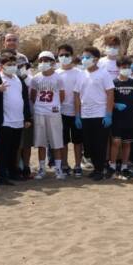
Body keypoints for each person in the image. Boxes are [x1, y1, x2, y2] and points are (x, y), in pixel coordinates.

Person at [0, 51, 32, 185]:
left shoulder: (19, 80)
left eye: (14, 64)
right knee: (2, 150)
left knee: (14, 149)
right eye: (9, 64)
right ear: (1, 66)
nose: (12, 66)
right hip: (4, 121)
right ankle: (1, 176)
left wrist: (27, 118)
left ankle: (13, 173)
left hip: (18, 121)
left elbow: (25, 100)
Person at [72, 48, 114, 181]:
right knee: (89, 145)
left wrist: (108, 114)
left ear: (96, 59)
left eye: (87, 57)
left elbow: (110, 93)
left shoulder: (103, 74)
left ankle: (99, 170)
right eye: (83, 57)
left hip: (100, 114)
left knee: (100, 144)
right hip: (85, 115)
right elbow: (77, 95)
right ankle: (96, 167)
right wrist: (77, 115)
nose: (84, 59)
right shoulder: (81, 74)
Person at [28, 52, 66, 179]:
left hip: (54, 113)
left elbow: (62, 96)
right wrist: (40, 106)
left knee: (56, 143)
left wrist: (53, 106)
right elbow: (33, 96)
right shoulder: (36, 78)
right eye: (41, 60)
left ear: (52, 62)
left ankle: (58, 169)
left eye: (46, 60)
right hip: (39, 112)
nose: (43, 63)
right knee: (41, 143)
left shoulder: (58, 78)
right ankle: (42, 169)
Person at [109, 58, 133, 179]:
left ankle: (124, 167)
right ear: (118, 68)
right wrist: (115, 105)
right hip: (117, 117)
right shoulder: (113, 82)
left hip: (131, 117)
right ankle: (112, 166)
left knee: (127, 143)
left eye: (128, 67)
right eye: (123, 67)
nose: (126, 69)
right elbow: (109, 99)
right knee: (116, 142)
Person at [54, 44, 84, 175]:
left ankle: (78, 165)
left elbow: (81, 93)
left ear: (72, 56)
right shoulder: (55, 73)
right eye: (61, 55)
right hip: (61, 113)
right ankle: (65, 165)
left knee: (78, 142)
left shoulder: (80, 73)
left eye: (67, 55)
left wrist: (78, 114)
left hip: (77, 113)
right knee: (63, 141)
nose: (64, 57)